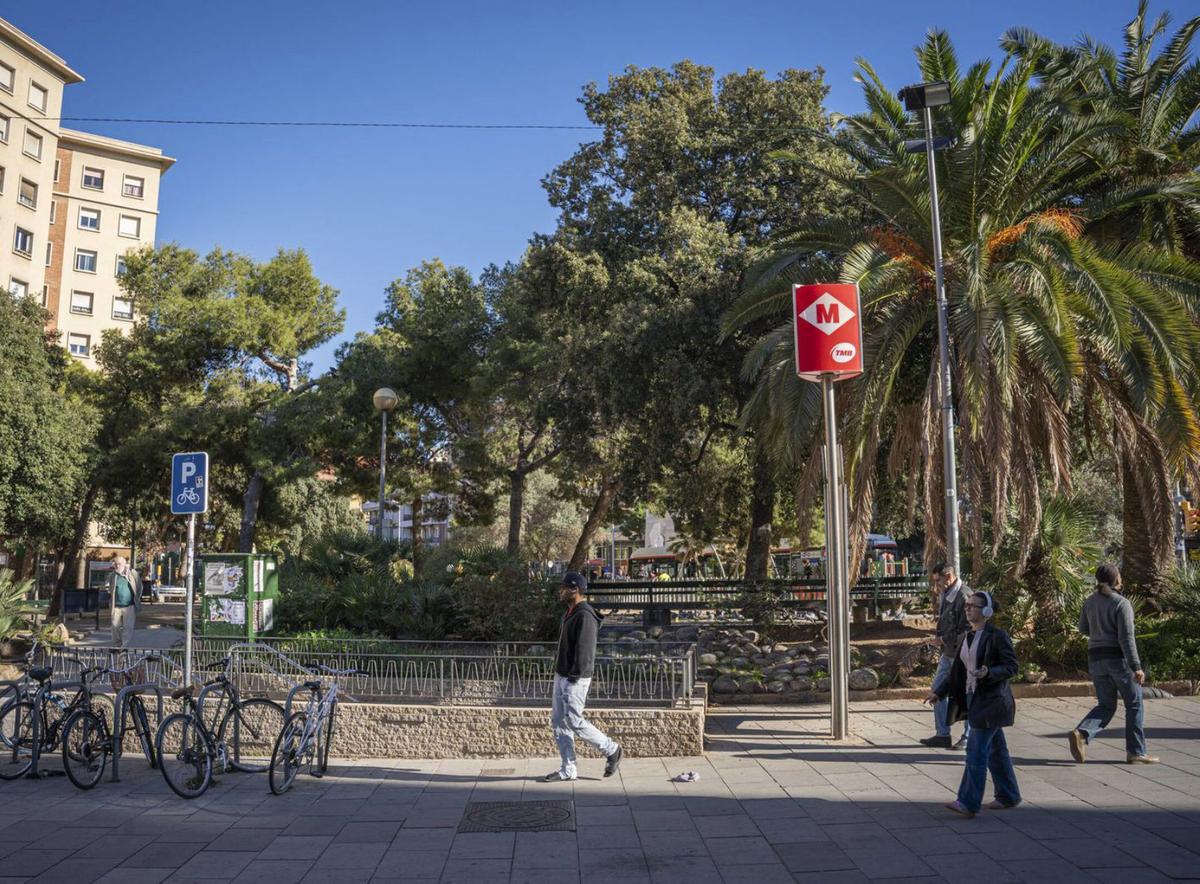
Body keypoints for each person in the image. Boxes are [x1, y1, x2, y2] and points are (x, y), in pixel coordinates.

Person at [927, 590, 1021, 818]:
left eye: (973, 606)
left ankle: (968, 802)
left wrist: (989, 672)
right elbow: (957, 672)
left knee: (976, 751)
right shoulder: (967, 637)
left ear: (986, 611)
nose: (968, 608)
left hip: (992, 702)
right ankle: (1008, 795)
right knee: (997, 750)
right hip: (974, 699)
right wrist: (939, 692)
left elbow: (1011, 667)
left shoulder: (997, 636)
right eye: (967, 605)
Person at [1068, 564, 1159, 764]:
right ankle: (1136, 752)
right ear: (1116, 580)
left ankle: (1082, 733)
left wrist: (1100, 631)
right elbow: (1126, 638)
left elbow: (1083, 628)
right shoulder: (1122, 603)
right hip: (1118, 660)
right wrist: (1136, 667)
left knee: (1106, 705)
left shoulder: (1090, 601)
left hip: (1095, 659)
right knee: (1134, 704)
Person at [543, 571, 623, 782]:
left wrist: (573, 677)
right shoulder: (570, 613)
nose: (560, 591)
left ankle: (612, 749)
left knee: (574, 721)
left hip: (575, 678)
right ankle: (568, 769)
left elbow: (585, 651)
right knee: (559, 722)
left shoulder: (585, 615)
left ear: (574, 590)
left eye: (563, 588)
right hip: (562, 675)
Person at [920, 562, 971, 749]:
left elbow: (968, 630)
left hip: (963, 655)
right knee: (937, 690)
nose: (937, 585)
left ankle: (968, 736)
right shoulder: (947, 593)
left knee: (967, 693)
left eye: (938, 580)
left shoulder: (964, 596)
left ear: (948, 577)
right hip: (948, 653)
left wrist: (942, 640)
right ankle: (942, 734)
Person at [106, 556, 142, 648]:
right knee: (114, 627)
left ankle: (124, 647)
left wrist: (137, 598)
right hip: (116, 606)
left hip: (129, 605)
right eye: (115, 564)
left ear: (124, 564)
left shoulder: (132, 573)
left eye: (119, 564)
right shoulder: (113, 575)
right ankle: (116, 646)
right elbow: (111, 589)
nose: (117, 566)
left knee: (128, 627)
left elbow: (139, 587)